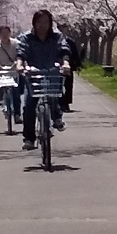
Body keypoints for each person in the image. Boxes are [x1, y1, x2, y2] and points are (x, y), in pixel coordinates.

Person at [16, 9, 71, 148]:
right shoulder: (27, 38)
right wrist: (19, 64)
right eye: (39, 22)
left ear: (50, 23)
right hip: (33, 74)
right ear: (34, 23)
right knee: (29, 105)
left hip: (52, 72)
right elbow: (21, 52)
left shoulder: (57, 37)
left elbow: (64, 49)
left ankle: (57, 117)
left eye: (46, 22)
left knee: (54, 95)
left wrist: (65, 63)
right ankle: (29, 139)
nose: (42, 25)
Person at [61, 30, 82, 111]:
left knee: (68, 86)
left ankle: (66, 103)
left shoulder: (70, 42)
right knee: (57, 86)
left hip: (68, 67)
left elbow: (75, 54)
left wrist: (78, 65)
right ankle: (60, 103)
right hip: (56, 67)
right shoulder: (53, 40)